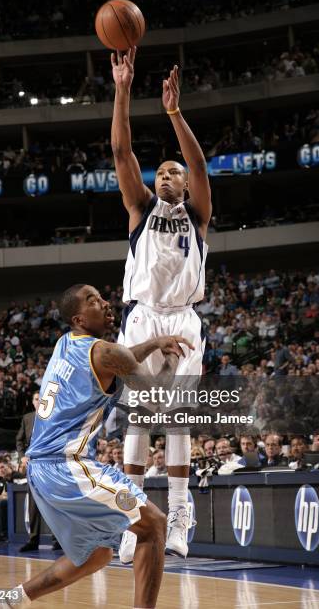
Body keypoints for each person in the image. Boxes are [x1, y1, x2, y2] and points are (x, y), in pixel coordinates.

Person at [0, 284, 193, 609]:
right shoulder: (106, 352)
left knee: (96, 555)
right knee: (154, 525)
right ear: (79, 318)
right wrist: (172, 360)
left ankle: (12, 599)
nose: (105, 303)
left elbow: (119, 359)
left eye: (102, 297)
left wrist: (152, 343)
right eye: (93, 300)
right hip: (67, 467)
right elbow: (156, 396)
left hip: (40, 471)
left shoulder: (65, 343)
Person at [111, 46, 211, 561]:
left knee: (176, 421)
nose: (168, 175)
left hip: (185, 320)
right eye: (162, 172)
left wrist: (175, 113)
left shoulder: (197, 215)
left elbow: (196, 160)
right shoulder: (141, 209)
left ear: (186, 184)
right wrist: (123, 90)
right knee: (138, 419)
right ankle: (133, 522)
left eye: (175, 172)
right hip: (144, 316)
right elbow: (122, 153)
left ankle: (177, 519)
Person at [16, 391, 61, 552]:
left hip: (50, 465)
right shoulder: (27, 418)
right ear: (33, 402)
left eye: (42, 398)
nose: (39, 401)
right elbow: (19, 440)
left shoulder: (55, 417)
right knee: (34, 506)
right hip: (33, 466)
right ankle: (33, 540)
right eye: (36, 399)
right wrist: (22, 457)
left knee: (52, 503)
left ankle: (58, 540)